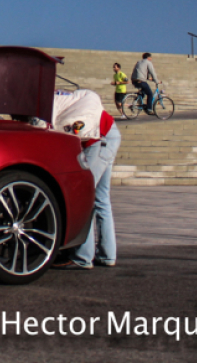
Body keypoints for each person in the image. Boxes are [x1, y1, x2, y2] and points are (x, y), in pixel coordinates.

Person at [50, 88, 120, 270]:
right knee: (100, 198)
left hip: (97, 141)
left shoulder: (50, 107)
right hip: (110, 134)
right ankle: (107, 255)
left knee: (83, 198)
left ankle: (82, 257)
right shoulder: (61, 97)